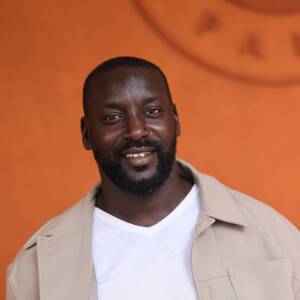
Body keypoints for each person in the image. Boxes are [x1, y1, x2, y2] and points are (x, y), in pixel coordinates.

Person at [6, 57, 300, 300]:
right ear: (86, 133)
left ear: (175, 119)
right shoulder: (37, 266)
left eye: (152, 111)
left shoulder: (271, 234)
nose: (136, 130)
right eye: (112, 117)